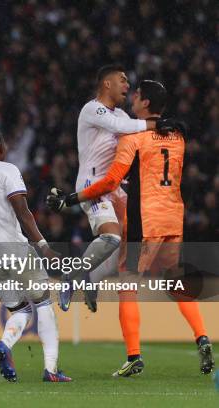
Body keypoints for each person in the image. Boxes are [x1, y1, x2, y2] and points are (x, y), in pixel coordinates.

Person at [47, 80, 214, 377]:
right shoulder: (177, 135)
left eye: (136, 95)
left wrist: (71, 200)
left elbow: (111, 182)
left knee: (127, 283)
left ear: (146, 103)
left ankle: (134, 356)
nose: (131, 99)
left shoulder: (134, 139)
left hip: (145, 218)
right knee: (174, 281)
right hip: (174, 216)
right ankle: (202, 337)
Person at [56, 64, 178, 312]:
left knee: (126, 244)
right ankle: (72, 276)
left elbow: (137, 136)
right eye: (122, 80)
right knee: (110, 236)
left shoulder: (122, 116)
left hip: (116, 186)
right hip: (94, 184)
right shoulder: (92, 110)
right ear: (106, 84)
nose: (127, 85)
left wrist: (171, 131)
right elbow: (126, 128)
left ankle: (91, 278)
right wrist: (155, 124)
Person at [0, 129, 71, 383]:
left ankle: (5, 345)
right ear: (0, 149)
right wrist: (43, 245)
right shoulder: (6, 170)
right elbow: (23, 211)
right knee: (42, 303)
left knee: (20, 309)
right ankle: (51, 370)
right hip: (12, 246)